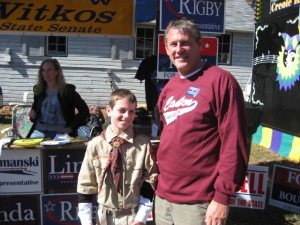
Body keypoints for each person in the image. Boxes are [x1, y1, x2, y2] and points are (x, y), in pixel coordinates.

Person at [154, 18, 249, 225]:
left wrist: (222, 197)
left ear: (200, 44)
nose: (179, 49)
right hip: (163, 196)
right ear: (166, 49)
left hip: (198, 201)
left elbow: (235, 143)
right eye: (173, 44)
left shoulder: (221, 82)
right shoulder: (169, 87)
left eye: (185, 43)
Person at [77, 89, 158, 225]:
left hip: (134, 216)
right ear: (109, 110)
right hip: (104, 217)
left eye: (132, 111)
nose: (127, 116)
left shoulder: (143, 144)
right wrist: (86, 222)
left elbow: (150, 181)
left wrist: (141, 218)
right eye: (121, 110)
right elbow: (85, 186)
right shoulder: (96, 145)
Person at [27, 58, 89, 139]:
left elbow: (84, 110)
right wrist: (32, 114)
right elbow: (34, 112)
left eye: (49, 70)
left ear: (57, 72)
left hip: (60, 132)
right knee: (29, 150)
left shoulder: (67, 91)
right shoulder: (38, 90)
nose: (46, 73)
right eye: (43, 70)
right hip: (38, 131)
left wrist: (71, 127)